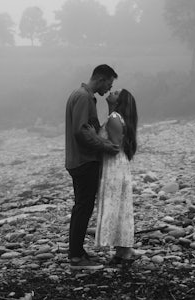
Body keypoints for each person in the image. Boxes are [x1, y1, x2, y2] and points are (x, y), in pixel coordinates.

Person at [65, 64, 119, 270]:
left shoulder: (82, 95)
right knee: (83, 207)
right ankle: (76, 257)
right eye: (109, 83)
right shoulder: (83, 97)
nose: (109, 88)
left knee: (82, 207)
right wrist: (106, 146)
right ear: (101, 79)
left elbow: (93, 129)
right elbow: (81, 131)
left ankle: (77, 252)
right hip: (84, 160)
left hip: (80, 160)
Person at [95, 88, 138, 264]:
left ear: (119, 101)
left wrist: (93, 137)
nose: (111, 92)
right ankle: (123, 249)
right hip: (120, 165)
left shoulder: (114, 118)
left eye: (116, 93)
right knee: (122, 207)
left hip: (114, 166)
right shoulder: (117, 118)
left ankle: (125, 250)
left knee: (116, 205)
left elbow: (112, 145)